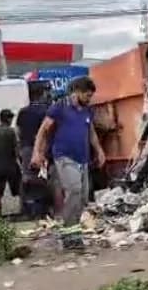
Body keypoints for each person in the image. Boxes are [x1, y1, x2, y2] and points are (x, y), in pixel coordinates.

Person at [31, 76, 105, 249]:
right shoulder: (60, 107)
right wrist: (37, 152)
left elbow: (91, 132)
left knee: (83, 197)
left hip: (83, 158)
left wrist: (99, 150)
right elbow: (43, 131)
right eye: (87, 95)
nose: (89, 99)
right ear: (77, 92)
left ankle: (73, 233)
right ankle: (68, 232)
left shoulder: (87, 111)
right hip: (64, 156)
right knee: (74, 190)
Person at [16, 84, 53, 218]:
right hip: (42, 148)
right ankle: (43, 209)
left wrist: (21, 149)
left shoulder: (22, 112)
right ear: (42, 93)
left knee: (27, 177)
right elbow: (48, 131)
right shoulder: (46, 111)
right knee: (43, 177)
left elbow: (18, 132)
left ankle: (27, 208)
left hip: (26, 149)